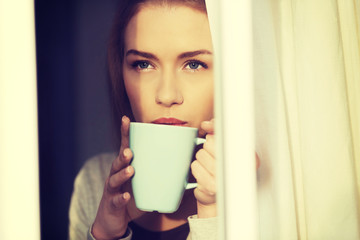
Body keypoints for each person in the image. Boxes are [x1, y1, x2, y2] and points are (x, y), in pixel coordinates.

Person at [69, 0, 218, 239]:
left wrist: (214, 216)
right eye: (143, 64)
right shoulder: (95, 181)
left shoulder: (262, 190)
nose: (167, 96)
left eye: (194, 64)